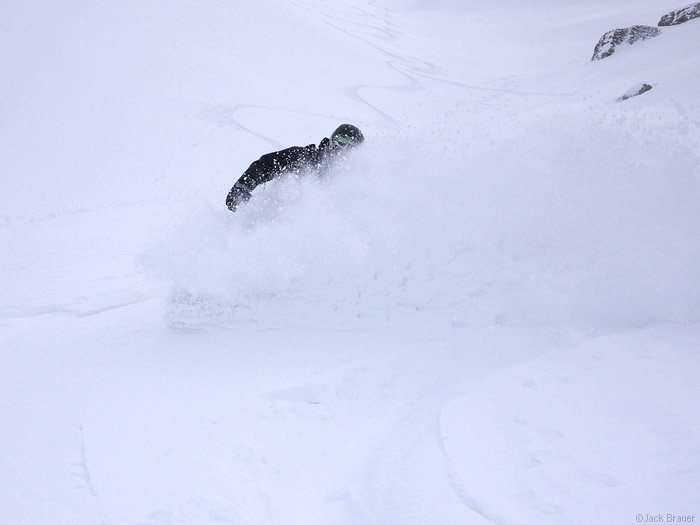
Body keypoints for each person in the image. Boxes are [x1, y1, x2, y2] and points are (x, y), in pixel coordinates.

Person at [226, 124, 364, 211]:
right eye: (340, 142)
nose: (341, 150)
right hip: (279, 219)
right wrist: (242, 187)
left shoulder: (353, 181)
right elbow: (265, 165)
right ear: (331, 141)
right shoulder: (305, 157)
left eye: (349, 147)